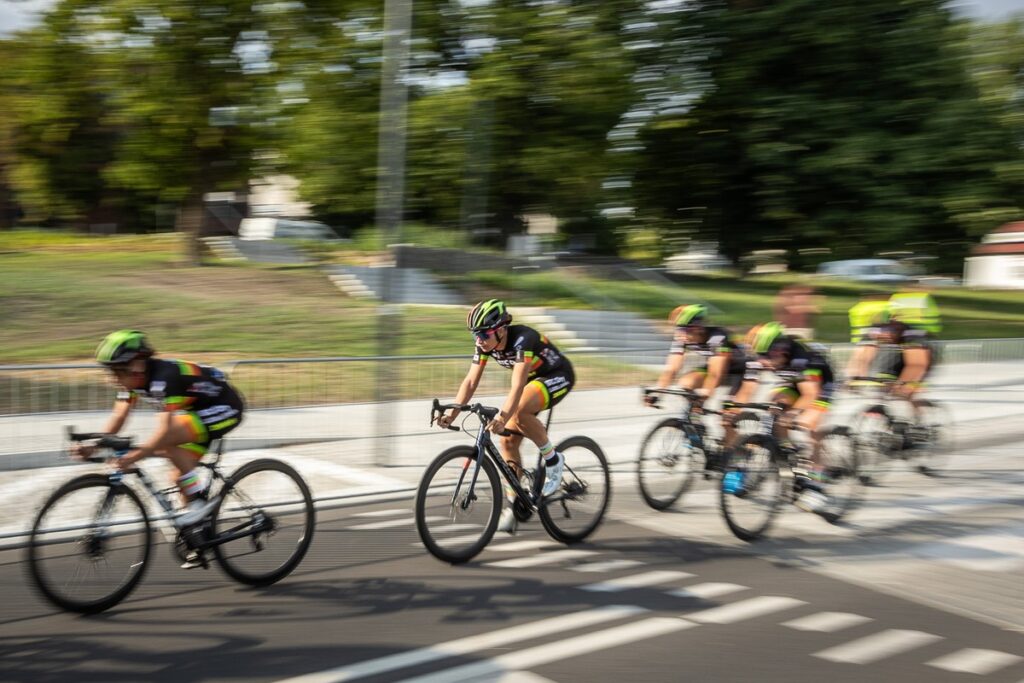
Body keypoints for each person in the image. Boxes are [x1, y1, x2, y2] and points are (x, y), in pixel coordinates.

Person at [73, 330, 245, 563]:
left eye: (116, 370)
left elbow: (165, 431)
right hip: (199, 412)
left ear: (137, 365)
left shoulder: (164, 377)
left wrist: (136, 456)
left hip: (226, 407)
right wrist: (95, 445)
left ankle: (197, 505)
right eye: (110, 371)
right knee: (177, 475)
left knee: (167, 439)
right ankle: (201, 532)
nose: (112, 377)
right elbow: (120, 416)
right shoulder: (132, 381)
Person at [437, 299, 574, 534]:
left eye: (484, 334)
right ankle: (514, 503)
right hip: (533, 381)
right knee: (507, 441)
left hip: (557, 375)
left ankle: (553, 459)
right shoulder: (484, 345)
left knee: (519, 412)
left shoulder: (523, 339)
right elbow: (470, 381)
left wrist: (502, 416)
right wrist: (453, 413)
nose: (479, 340)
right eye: (475, 335)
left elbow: (518, 385)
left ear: (501, 329)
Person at [730, 322, 837, 515]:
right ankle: (788, 452)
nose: (763, 362)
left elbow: (810, 394)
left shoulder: (802, 358)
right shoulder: (762, 357)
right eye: (760, 357)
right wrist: (734, 409)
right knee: (774, 407)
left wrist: (794, 414)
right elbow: (747, 389)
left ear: (781, 350)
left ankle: (817, 482)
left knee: (810, 426)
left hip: (820, 385)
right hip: (793, 382)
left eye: (767, 357)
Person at [646, 304, 747, 407]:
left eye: (685, 330)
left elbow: (715, 374)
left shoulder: (717, 337)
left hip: (740, 372)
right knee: (685, 383)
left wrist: (705, 394)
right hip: (717, 369)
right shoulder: (682, 339)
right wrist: (658, 393)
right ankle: (694, 418)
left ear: (698, 328)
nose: (680, 335)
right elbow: (671, 369)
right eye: (678, 329)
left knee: (728, 417)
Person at [846, 308, 934, 412]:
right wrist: (853, 377)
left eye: (890, 331)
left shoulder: (912, 336)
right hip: (898, 355)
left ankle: (920, 419)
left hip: (922, 360)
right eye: (881, 330)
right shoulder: (873, 332)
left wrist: (903, 384)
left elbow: (917, 365)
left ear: (898, 326)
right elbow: (860, 357)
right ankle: (886, 416)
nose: (885, 334)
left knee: (907, 391)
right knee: (883, 387)